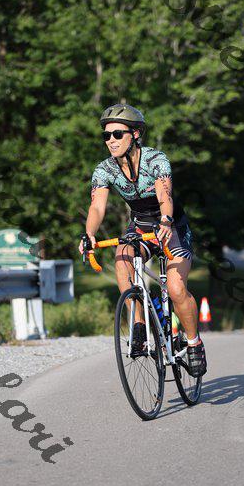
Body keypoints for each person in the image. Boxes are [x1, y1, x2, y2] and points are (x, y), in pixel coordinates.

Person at [78, 103, 207, 377]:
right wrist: (89, 233)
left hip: (171, 226)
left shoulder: (155, 160)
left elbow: (164, 196)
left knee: (176, 289)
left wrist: (166, 220)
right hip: (140, 226)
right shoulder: (104, 169)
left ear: (135, 134)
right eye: (106, 135)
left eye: (117, 134)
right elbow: (97, 207)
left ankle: (194, 341)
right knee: (122, 260)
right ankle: (138, 326)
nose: (111, 141)